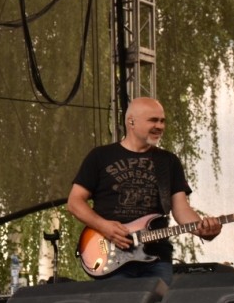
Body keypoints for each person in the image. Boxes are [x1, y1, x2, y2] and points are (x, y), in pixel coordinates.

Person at [67, 97, 221, 284]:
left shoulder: (168, 161)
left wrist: (205, 230)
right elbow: (74, 202)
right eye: (153, 120)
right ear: (131, 122)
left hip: (157, 258)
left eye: (162, 121)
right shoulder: (100, 156)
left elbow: (181, 209)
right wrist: (104, 227)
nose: (160, 126)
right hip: (111, 254)